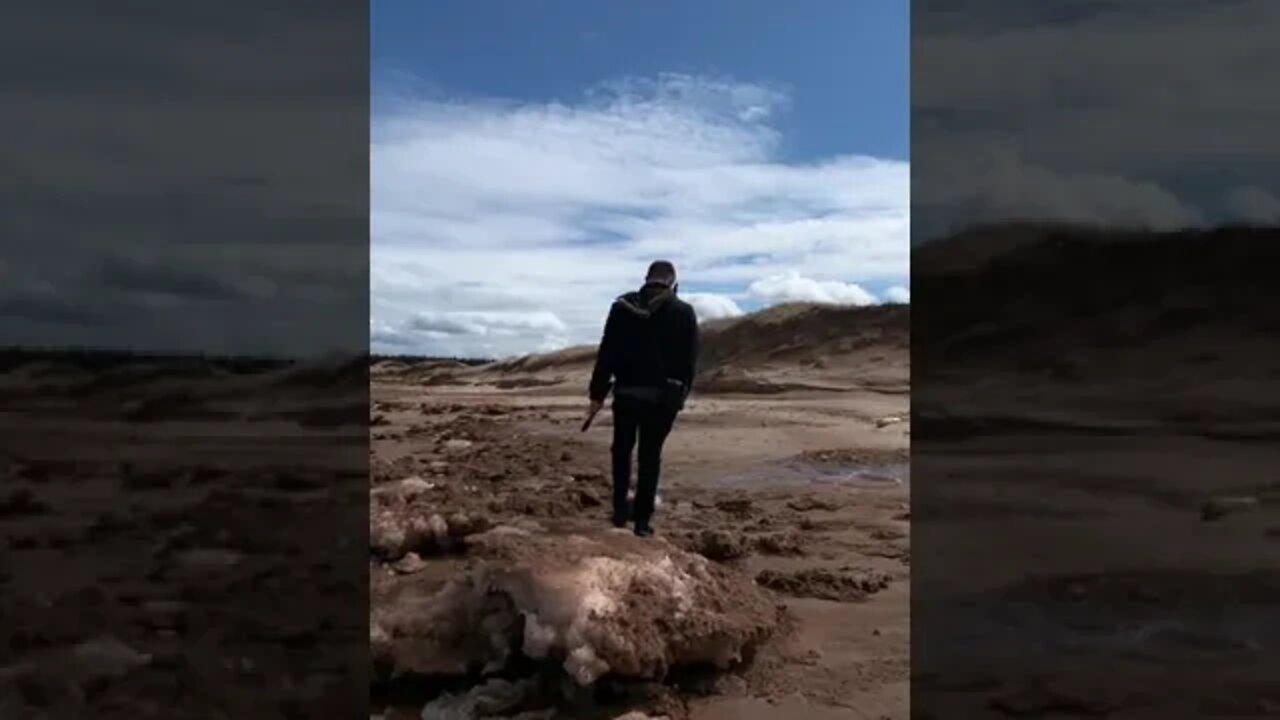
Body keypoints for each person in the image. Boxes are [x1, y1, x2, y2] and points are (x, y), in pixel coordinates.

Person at [587, 260, 699, 537]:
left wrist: (597, 394)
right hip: (662, 398)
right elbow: (689, 360)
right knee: (650, 456)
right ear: (673, 282)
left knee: (621, 451)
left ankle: (619, 512)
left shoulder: (622, 307)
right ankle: (642, 522)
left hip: (626, 393)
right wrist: (681, 395)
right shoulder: (683, 311)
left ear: (646, 278)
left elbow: (607, 352)